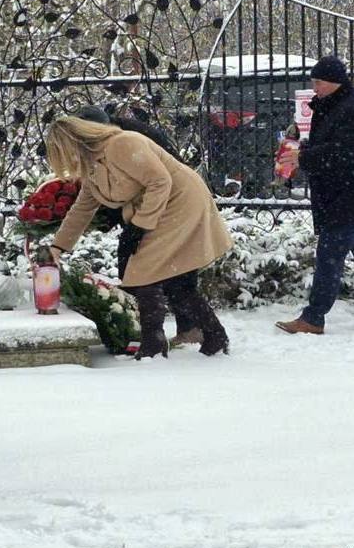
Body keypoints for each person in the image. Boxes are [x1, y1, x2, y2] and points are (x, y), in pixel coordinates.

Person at [46, 116, 233, 358]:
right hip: (156, 208)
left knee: (143, 274)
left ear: (74, 144)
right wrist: (57, 247)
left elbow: (160, 181)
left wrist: (140, 226)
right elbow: (82, 210)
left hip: (180, 202)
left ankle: (153, 344)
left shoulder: (122, 144)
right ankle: (214, 334)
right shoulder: (92, 167)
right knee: (175, 280)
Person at [78, 104, 203, 346]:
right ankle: (140, 329)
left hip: (171, 204)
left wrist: (138, 223)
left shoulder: (130, 139)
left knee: (177, 268)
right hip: (143, 207)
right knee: (132, 262)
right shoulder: (100, 142)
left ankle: (181, 330)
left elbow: (156, 181)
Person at [276, 56, 354, 335]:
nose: (314, 87)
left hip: (344, 197)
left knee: (329, 260)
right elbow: (331, 145)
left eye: (318, 82)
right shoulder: (331, 106)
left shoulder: (347, 108)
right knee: (330, 258)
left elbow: (344, 152)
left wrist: (304, 157)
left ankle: (313, 318)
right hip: (338, 196)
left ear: (333, 82)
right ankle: (313, 317)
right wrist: (301, 144)